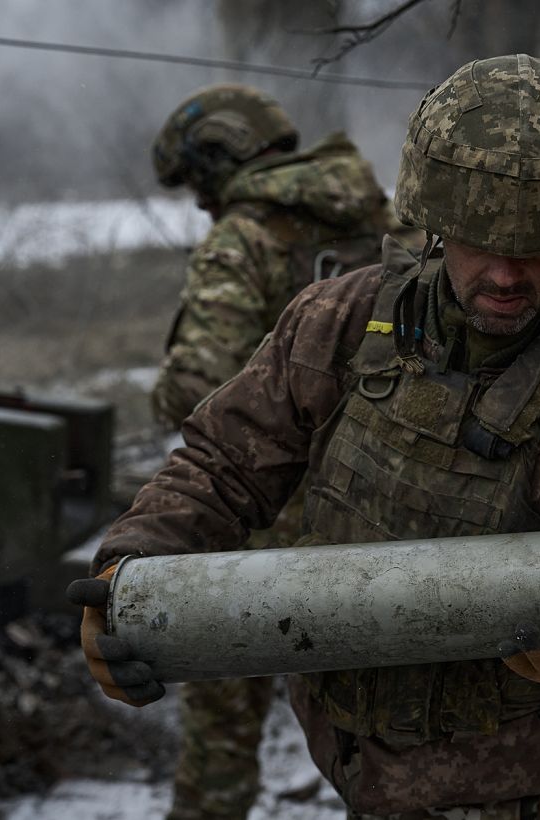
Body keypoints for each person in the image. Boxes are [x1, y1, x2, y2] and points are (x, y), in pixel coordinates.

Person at [73, 55, 540, 819]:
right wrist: (129, 572)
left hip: (501, 786)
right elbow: (222, 460)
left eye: (536, 244)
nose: (504, 273)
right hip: (351, 751)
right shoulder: (339, 319)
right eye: (477, 239)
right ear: (434, 220)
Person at [146, 83, 412, 820]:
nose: (204, 204)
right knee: (396, 730)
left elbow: (203, 382)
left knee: (224, 724)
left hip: (265, 521)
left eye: (201, 184)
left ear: (220, 159)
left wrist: (161, 395)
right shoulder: (379, 218)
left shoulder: (245, 237)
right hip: (387, 512)